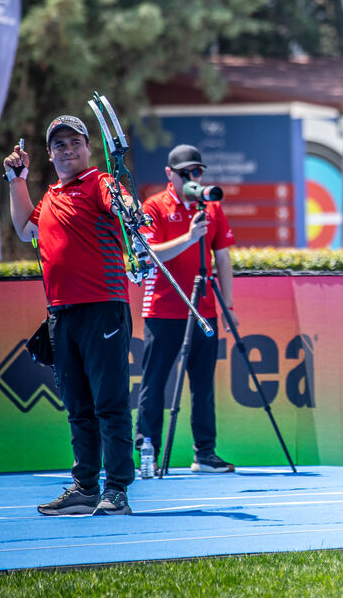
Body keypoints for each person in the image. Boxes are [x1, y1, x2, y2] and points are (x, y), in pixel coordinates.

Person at [3, 115, 135, 515]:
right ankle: (85, 487)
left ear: (87, 147)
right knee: (78, 406)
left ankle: (116, 490)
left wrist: (129, 207)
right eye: (59, 144)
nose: (68, 149)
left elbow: (121, 204)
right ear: (50, 153)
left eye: (74, 142)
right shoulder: (53, 196)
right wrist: (17, 180)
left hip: (103, 308)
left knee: (109, 403)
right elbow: (27, 229)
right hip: (61, 313)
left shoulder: (100, 183)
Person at [135, 144, 238, 473]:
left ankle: (204, 453)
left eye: (198, 172)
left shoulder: (212, 207)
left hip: (204, 308)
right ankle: (148, 450)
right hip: (163, 310)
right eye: (186, 174)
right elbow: (151, 255)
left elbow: (222, 255)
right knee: (155, 383)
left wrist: (229, 304)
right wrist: (190, 238)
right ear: (170, 175)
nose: (194, 178)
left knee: (203, 384)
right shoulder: (154, 206)